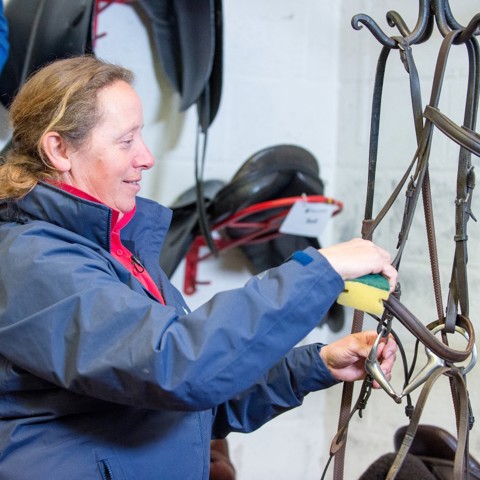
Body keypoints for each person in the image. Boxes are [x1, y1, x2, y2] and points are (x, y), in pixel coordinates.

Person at [0, 56, 398, 480]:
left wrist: (315, 365)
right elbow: (175, 367)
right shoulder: (32, 261)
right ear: (59, 149)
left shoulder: (113, 250)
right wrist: (322, 269)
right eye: (126, 140)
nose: (146, 157)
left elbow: (190, 401)